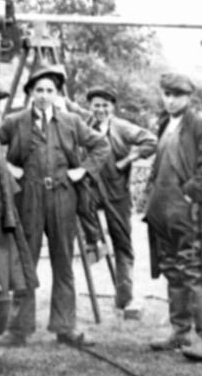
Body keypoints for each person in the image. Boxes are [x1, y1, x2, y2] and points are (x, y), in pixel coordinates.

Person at [0, 65, 110, 348]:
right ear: (31, 93)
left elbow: (101, 145)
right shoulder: (16, 121)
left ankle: (65, 328)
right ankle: (18, 330)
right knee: (25, 262)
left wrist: (82, 171)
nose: (44, 96)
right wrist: (8, 168)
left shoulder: (71, 122)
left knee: (63, 262)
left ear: (57, 94)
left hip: (63, 196)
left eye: (49, 91)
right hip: (28, 198)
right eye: (39, 90)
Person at [145, 73, 202, 362]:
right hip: (161, 211)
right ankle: (179, 333)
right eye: (167, 94)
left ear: (188, 97)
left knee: (192, 272)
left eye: (177, 95)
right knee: (171, 270)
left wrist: (188, 194)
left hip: (186, 211)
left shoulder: (200, 126)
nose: (170, 100)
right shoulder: (164, 123)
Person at [65, 86, 157, 309]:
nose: (100, 110)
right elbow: (68, 104)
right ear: (90, 106)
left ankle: (124, 297)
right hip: (92, 188)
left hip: (117, 193)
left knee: (122, 244)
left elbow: (151, 141)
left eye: (105, 106)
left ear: (112, 107)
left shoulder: (122, 127)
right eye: (96, 105)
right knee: (79, 204)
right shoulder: (85, 122)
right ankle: (94, 242)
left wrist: (127, 160)